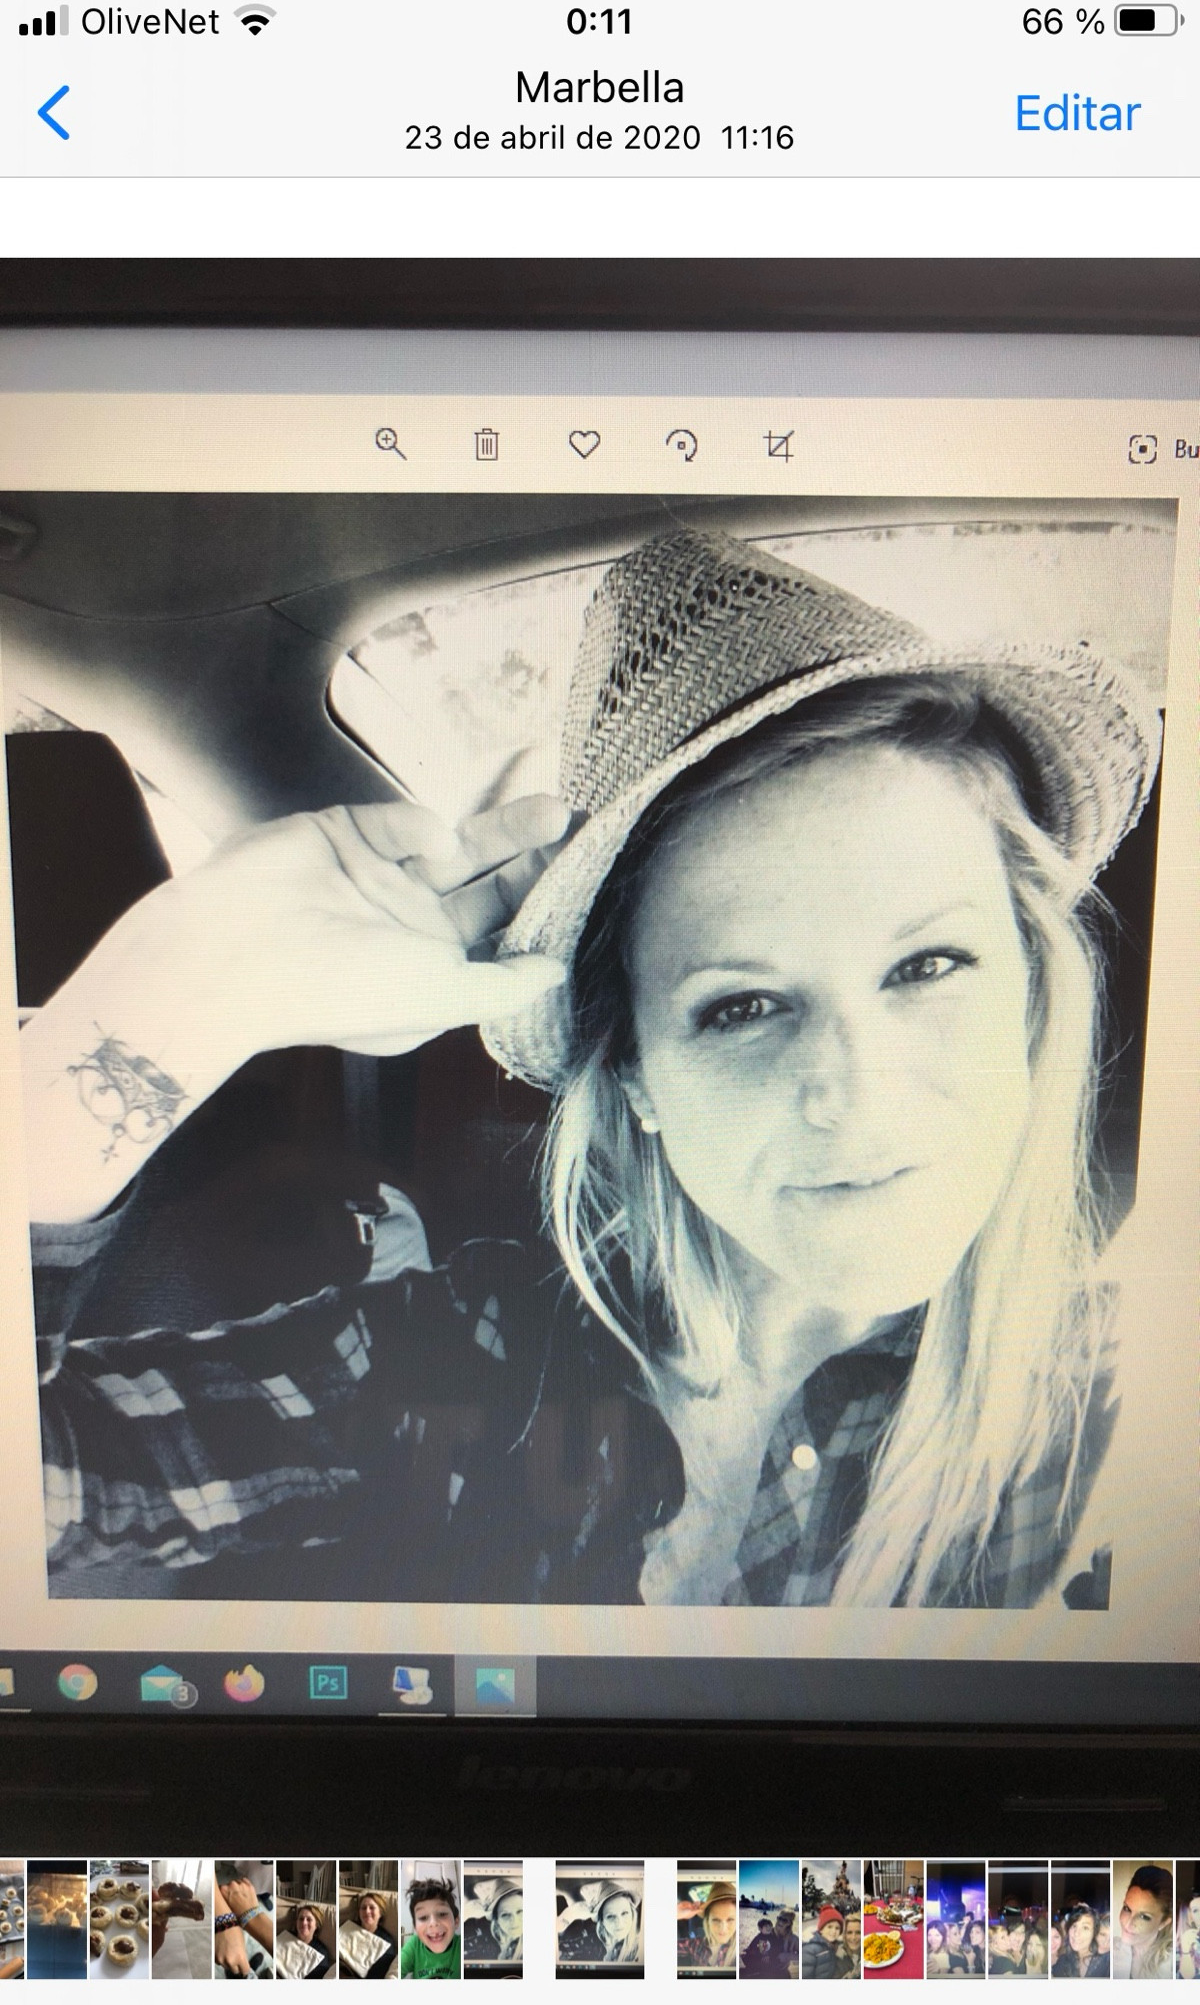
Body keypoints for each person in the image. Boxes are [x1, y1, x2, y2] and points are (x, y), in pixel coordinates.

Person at [24, 530, 1159, 1609]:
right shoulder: (469, 1357)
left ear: (1030, 993)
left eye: (929, 965)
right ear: (638, 1078)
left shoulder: (1132, 1405)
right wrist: (175, 997)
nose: (855, 1092)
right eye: (741, 1006)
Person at [1113, 1866, 1174, 1980]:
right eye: (1127, 1908)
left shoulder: (1174, 1964)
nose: (1128, 1924)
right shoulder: (1109, 1948)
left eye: (1144, 1917)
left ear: (1164, 1923)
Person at [400, 1878, 459, 1979]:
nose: (433, 1923)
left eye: (442, 1914)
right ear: (415, 1927)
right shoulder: (414, 1945)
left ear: (456, 1921)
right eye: (423, 1917)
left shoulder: (462, 1946)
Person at [681, 1881, 737, 1971]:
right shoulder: (696, 1945)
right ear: (707, 1921)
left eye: (730, 1920)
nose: (723, 1929)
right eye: (716, 1920)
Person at [1053, 1903, 1108, 1979]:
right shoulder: (1063, 1961)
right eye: (1074, 1926)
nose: (1076, 1933)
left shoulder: (1106, 1963)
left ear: (1094, 1933)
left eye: (1085, 1928)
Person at [281, 1902, 333, 1981]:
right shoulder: (285, 1936)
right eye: (301, 1919)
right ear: (296, 1922)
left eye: (309, 1919)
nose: (304, 1922)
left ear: (316, 1925)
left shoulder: (321, 1953)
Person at [803, 1906, 844, 1979]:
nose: (833, 1931)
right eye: (829, 1927)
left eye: (837, 1928)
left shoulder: (836, 1946)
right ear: (821, 1930)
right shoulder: (810, 1950)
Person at [772, 1908, 800, 1976]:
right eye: (779, 1918)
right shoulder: (768, 1933)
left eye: (784, 1920)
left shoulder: (793, 1939)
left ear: (789, 1923)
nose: (780, 1922)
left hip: (782, 1972)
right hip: (765, 1971)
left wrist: (787, 1956)